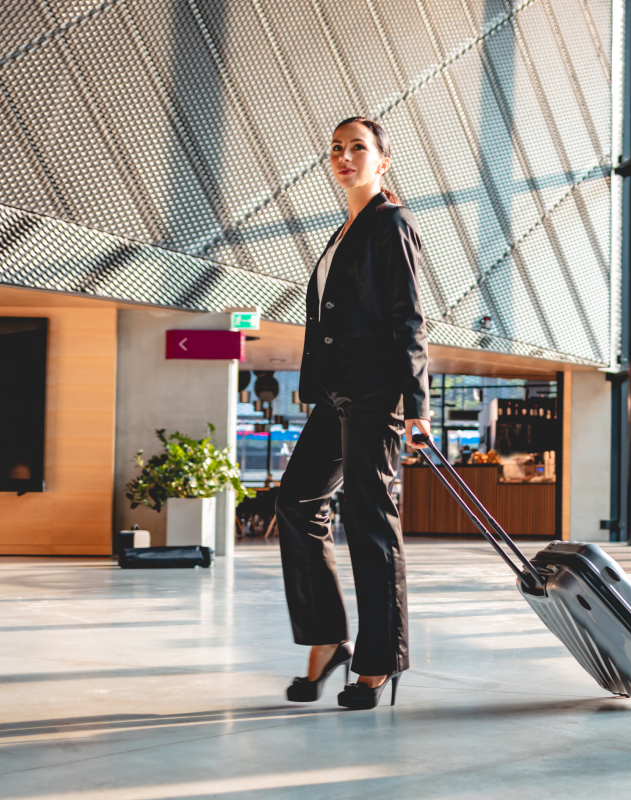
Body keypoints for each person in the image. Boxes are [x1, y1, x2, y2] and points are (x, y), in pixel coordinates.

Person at [277, 116, 432, 710]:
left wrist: (416, 406)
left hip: (376, 396)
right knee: (296, 501)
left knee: (369, 521)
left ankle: (377, 662)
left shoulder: (390, 223)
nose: (344, 156)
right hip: (336, 395)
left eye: (357, 148)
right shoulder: (343, 231)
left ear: (382, 162)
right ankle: (326, 639)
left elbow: (410, 318)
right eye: (336, 149)